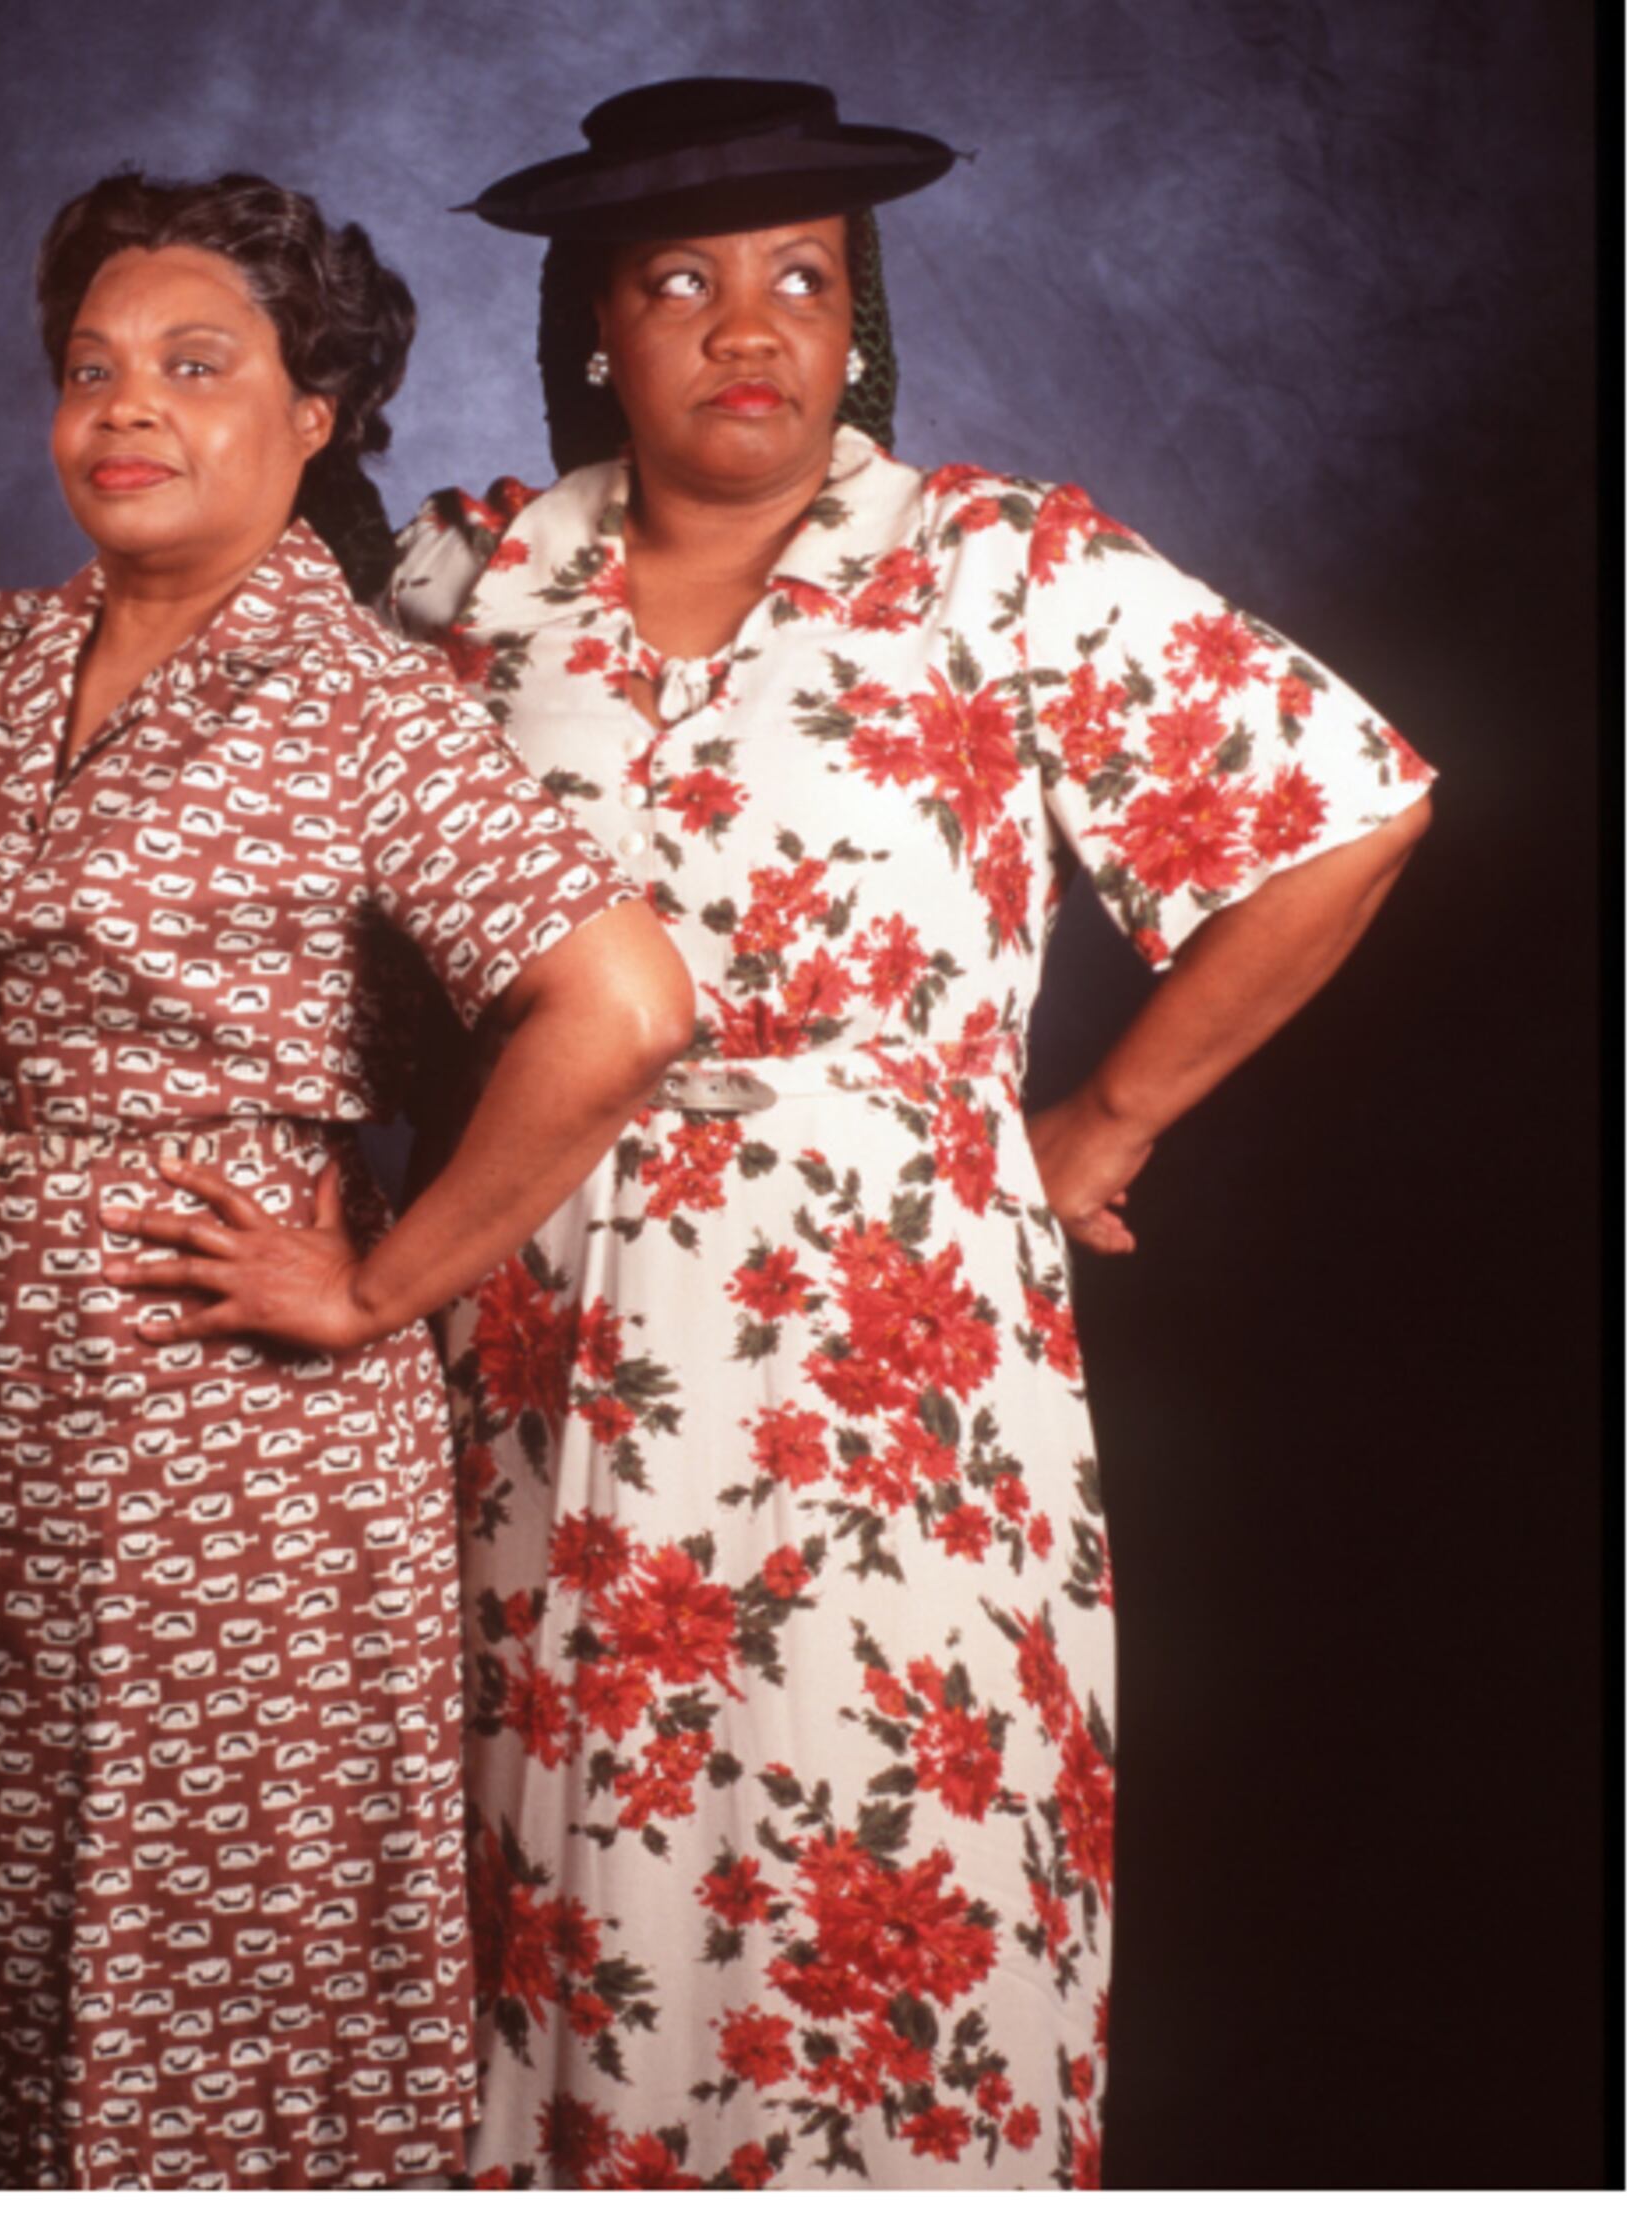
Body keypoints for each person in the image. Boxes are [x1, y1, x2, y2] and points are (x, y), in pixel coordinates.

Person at [347, 80, 1430, 2188]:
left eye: (804, 280)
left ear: (860, 324)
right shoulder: (470, 586)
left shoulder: (996, 569)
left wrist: (1103, 1119)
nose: (751, 328)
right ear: (595, 329)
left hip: (887, 1333)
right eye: (683, 283)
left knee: (877, 1843)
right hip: (527, 1309)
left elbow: (1349, 804)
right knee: (548, 1855)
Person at [0, 170, 689, 2187]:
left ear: (313, 411)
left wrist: (371, 1289)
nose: (126, 409)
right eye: (92, 369)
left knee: (185, 1934)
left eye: (195, 366)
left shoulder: (362, 709)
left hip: (220, 1436)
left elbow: (619, 1006)